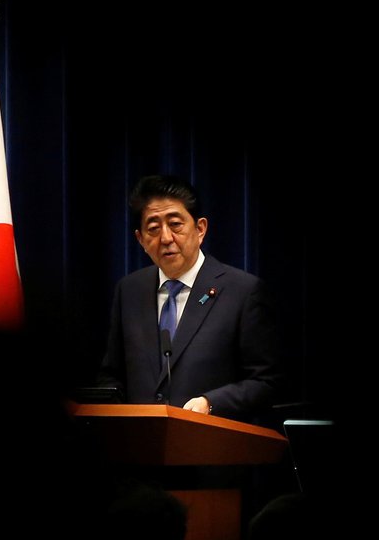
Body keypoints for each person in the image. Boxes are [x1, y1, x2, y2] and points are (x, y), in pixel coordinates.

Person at [97, 174, 283, 421]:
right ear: (140, 239)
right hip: (140, 451)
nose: (165, 238)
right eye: (153, 228)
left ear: (200, 229)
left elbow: (267, 382)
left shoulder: (243, 291)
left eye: (175, 224)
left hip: (214, 448)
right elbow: (112, 376)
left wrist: (211, 403)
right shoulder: (129, 291)